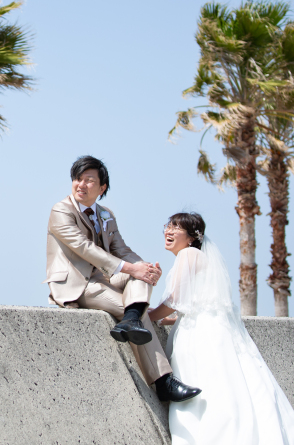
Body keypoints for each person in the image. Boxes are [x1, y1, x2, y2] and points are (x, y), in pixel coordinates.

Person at [44, 156, 201, 402]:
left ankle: (130, 319)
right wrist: (131, 268)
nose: (81, 185)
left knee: (140, 274)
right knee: (138, 302)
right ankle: (163, 381)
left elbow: (121, 248)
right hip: (77, 284)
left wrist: (145, 268)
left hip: (103, 279)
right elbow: (85, 248)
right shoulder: (61, 210)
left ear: (102, 188)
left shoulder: (106, 214)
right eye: (78, 179)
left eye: (89, 180)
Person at [149, 212, 294, 445]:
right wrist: (166, 320)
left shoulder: (187, 254)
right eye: (168, 225)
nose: (169, 230)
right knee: (228, 386)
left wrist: (147, 316)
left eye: (176, 227)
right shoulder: (200, 257)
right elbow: (198, 305)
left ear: (192, 237)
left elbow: (175, 300)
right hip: (215, 329)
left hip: (199, 335)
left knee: (205, 383)